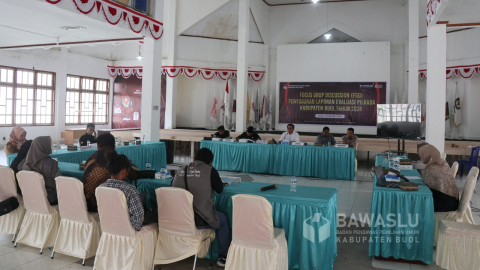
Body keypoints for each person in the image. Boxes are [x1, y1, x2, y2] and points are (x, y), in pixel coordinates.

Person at [171, 148, 231, 267]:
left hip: (179, 218)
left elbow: (172, 188)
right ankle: (223, 256)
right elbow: (219, 189)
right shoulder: (210, 171)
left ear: (194, 159)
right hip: (200, 218)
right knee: (223, 219)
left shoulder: (181, 170)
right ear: (210, 162)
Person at [99, 152, 145, 231]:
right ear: (124, 171)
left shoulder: (100, 188)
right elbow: (138, 219)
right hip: (127, 231)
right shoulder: (130, 190)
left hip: (108, 228)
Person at [19, 136, 61, 205]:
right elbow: (59, 183)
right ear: (44, 146)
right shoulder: (51, 164)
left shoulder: (25, 164)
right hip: (49, 200)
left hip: (30, 199)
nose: (50, 147)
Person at [418, 143, 459, 212]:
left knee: (416, 203)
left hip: (445, 204)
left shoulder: (433, 168)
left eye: (422, 155)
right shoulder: (440, 162)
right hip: (451, 201)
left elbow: (428, 189)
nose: (421, 159)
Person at [82, 133, 117, 212]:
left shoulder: (91, 158)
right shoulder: (114, 158)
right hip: (101, 206)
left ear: (97, 146)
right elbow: (133, 175)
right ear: (114, 147)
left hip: (84, 203)